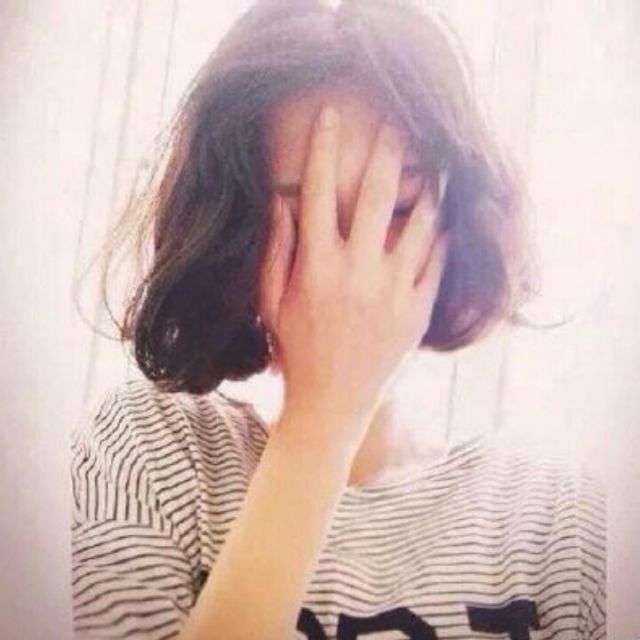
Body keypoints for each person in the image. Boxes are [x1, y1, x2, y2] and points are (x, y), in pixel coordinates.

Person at [70, 0, 606, 638]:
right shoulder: (144, 454)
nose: (351, 267)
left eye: (396, 207)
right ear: (235, 235)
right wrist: (321, 421)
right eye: (309, 216)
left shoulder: (552, 518)